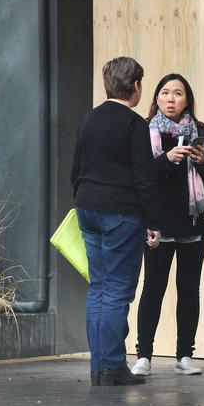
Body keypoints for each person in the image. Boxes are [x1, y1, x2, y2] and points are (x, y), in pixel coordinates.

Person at [71, 56, 161, 386]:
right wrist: (154, 221)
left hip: (88, 208)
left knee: (98, 289)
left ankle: (99, 366)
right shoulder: (134, 124)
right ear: (135, 86)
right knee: (117, 292)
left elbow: (75, 169)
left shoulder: (89, 118)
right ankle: (111, 366)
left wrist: (83, 200)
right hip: (121, 212)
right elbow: (145, 178)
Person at [130, 74, 204, 377]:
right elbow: (139, 180)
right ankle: (144, 354)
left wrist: (203, 161)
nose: (171, 99)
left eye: (178, 94)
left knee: (189, 289)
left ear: (187, 100)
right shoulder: (144, 132)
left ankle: (185, 355)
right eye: (165, 93)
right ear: (156, 99)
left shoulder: (201, 132)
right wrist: (166, 159)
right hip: (157, 221)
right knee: (153, 288)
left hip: (194, 220)